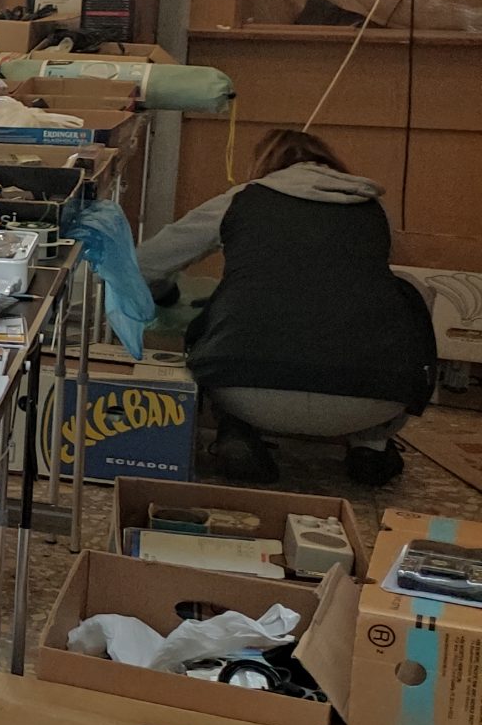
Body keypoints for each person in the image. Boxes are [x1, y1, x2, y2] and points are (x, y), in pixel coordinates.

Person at [137, 127, 436, 485]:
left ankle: (237, 430)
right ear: (332, 165)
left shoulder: (243, 198)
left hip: (243, 389)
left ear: (265, 166)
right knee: (411, 289)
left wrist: (164, 293)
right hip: (374, 398)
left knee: (228, 311)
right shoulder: (372, 208)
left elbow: (145, 263)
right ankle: (371, 445)